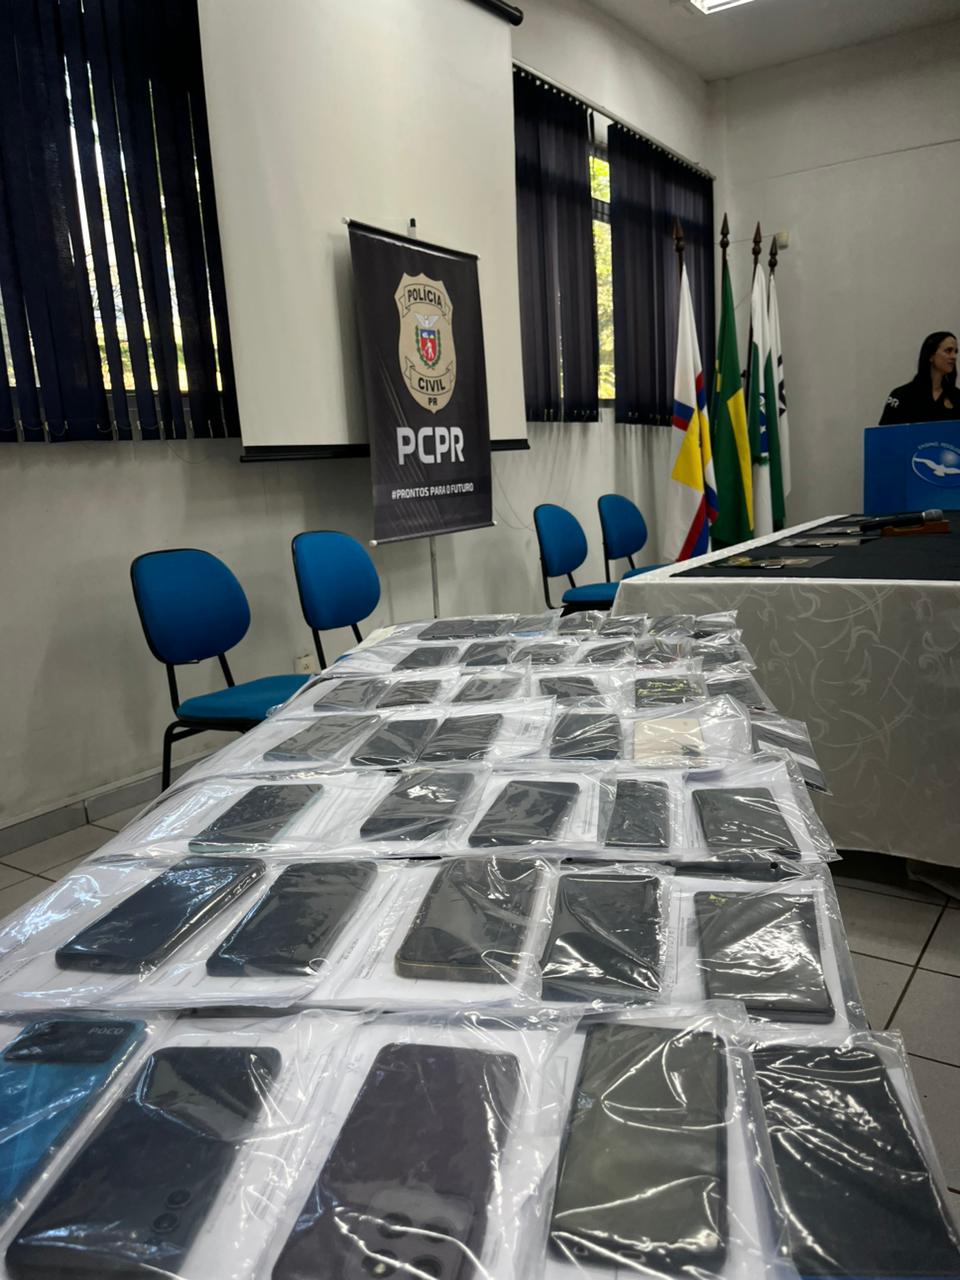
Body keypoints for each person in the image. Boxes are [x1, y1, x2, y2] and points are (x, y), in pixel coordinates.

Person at [880, 331, 958, 424]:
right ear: (931, 355)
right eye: (948, 351)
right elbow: (886, 432)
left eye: (956, 352)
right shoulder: (901, 396)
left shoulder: (956, 397)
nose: (954, 356)